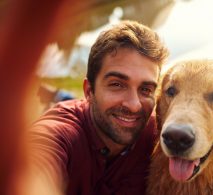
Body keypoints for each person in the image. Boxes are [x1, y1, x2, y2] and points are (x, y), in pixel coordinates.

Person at [28, 20, 169, 195]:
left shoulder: (158, 136)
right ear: (88, 90)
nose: (134, 105)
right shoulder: (60, 137)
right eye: (117, 84)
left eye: (146, 89)